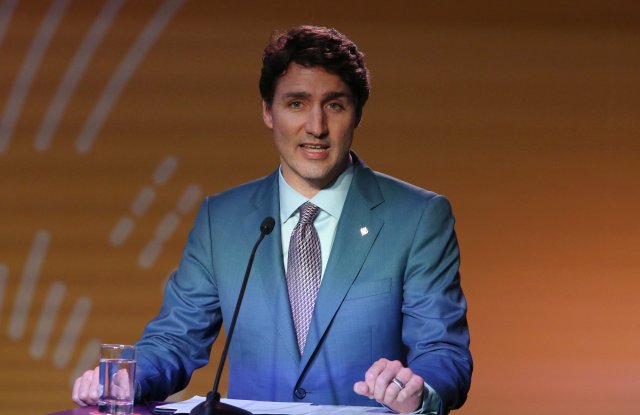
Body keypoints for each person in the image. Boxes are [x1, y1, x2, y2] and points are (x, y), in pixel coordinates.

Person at [72, 25, 472, 414]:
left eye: (334, 105)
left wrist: (419, 395)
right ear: (268, 112)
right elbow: (175, 340)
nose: (316, 127)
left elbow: (443, 353)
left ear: (357, 115)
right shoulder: (221, 220)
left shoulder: (418, 217)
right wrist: (127, 380)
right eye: (296, 103)